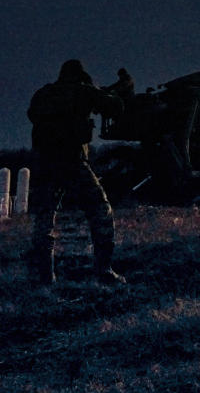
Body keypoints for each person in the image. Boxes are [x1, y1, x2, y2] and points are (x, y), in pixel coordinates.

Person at [27, 59, 125, 286]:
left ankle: (45, 277)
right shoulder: (82, 91)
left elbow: (32, 114)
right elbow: (115, 106)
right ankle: (104, 271)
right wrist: (96, 91)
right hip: (72, 161)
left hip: (45, 163)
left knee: (44, 219)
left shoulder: (44, 94)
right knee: (101, 212)